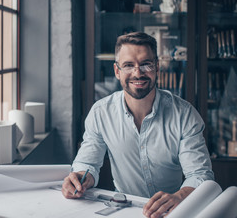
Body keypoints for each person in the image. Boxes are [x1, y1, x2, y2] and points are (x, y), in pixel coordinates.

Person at [62, 32, 214, 218]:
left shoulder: (184, 114)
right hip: (123, 210)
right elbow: (88, 163)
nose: (138, 73)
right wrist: (79, 178)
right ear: (117, 71)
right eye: (128, 65)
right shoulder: (101, 113)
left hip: (172, 211)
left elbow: (200, 175)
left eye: (146, 64)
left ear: (157, 67)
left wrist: (179, 196)